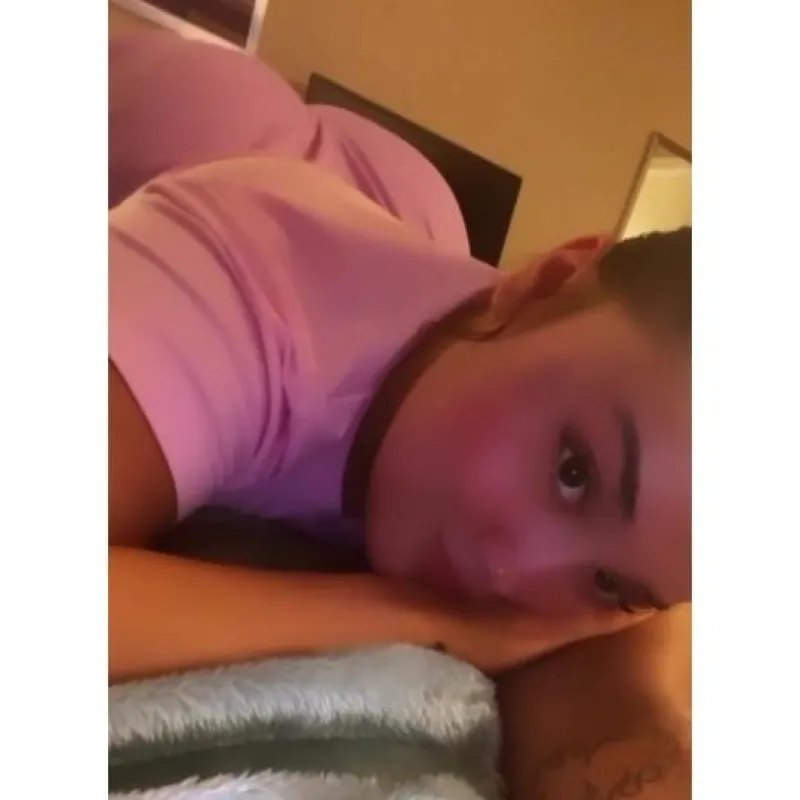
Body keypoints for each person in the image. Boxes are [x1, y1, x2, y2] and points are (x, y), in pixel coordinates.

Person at [109, 33, 691, 796]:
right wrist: (420, 621)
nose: (512, 572)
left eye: (609, 582)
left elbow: (639, 664)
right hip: (168, 117)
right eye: (574, 471)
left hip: (402, 198)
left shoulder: (608, 445)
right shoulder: (244, 293)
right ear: (545, 280)